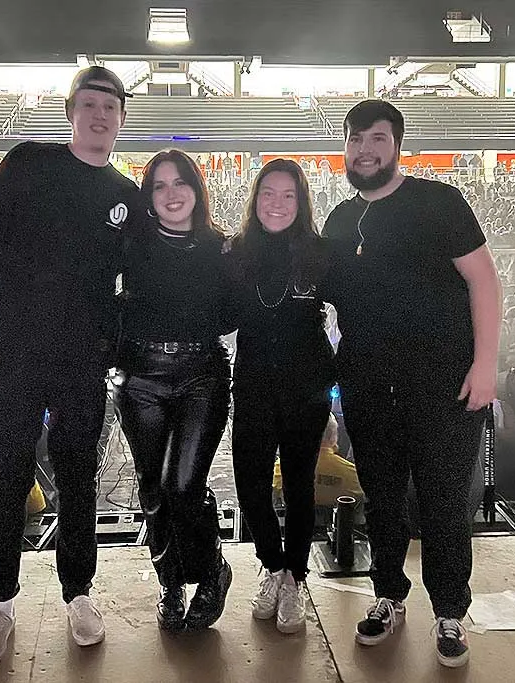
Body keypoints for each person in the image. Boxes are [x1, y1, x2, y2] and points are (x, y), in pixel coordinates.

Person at [0, 66, 139, 667]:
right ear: (70, 113)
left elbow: (136, 282)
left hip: (82, 359)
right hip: (12, 350)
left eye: (110, 107)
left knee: (79, 477)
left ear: (122, 120)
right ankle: (1, 603)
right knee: (11, 475)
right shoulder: (28, 162)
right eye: (88, 105)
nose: (99, 116)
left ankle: (79, 593)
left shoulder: (125, 197)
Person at [321, 100, 501, 667]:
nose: (365, 149)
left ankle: (449, 611)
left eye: (377, 138)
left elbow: (484, 282)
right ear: (345, 146)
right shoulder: (340, 222)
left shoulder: (439, 203)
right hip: (369, 388)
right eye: (356, 139)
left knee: (445, 506)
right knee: (383, 502)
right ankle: (387, 596)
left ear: (397, 145)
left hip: (445, 386)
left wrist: (487, 364)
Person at [114, 150, 233, 633]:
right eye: (159, 185)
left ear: (196, 188)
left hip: (201, 373)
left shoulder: (222, 248)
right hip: (140, 376)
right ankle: (171, 583)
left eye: (180, 182)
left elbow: (234, 312)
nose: (171, 193)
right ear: (149, 196)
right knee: (152, 489)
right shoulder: (131, 243)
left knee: (182, 484)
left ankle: (211, 570)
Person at [225, 158, 335, 634]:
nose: (277, 203)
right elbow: (215, 313)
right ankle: (273, 565)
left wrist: (334, 384)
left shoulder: (320, 253)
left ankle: (295, 577)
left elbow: (354, 313)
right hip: (251, 386)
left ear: (301, 201)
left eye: (289, 195)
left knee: (299, 487)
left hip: (305, 391)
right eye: (269, 193)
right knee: (250, 485)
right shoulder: (235, 252)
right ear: (256, 199)